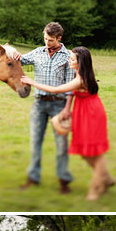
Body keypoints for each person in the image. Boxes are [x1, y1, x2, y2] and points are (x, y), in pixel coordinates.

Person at [26, 45, 114, 201]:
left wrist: (32, 82)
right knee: (85, 153)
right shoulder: (78, 73)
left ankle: (95, 190)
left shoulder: (80, 79)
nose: (69, 60)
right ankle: (106, 178)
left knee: (94, 153)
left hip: (91, 114)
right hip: (83, 112)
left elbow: (56, 90)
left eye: (72, 59)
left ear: (80, 62)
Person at [19, 22, 73, 195]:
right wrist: (9, 51)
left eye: (50, 40)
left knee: (61, 144)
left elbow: (71, 86)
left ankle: (63, 180)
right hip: (39, 103)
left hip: (59, 104)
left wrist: (67, 109)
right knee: (35, 141)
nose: (46, 43)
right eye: (45, 39)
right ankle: (33, 177)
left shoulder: (68, 57)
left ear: (59, 38)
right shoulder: (37, 52)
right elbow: (18, 60)